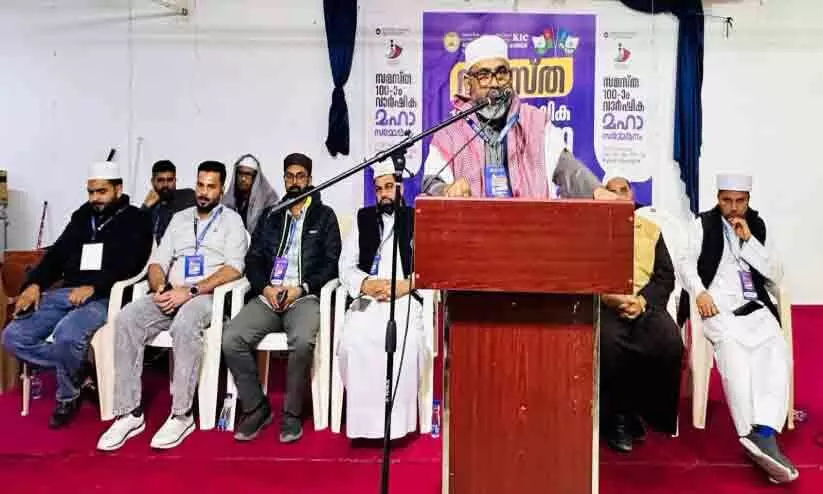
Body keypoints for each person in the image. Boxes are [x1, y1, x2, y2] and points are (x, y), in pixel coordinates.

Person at [96, 161, 248, 451]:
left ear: (221, 189)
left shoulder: (232, 221)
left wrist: (190, 291)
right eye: (200, 185)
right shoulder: (179, 219)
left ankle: (181, 414)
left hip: (206, 297)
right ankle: (129, 413)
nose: (203, 192)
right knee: (127, 318)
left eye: (211, 187)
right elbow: (157, 263)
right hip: (170, 293)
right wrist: (160, 287)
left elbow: (234, 269)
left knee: (185, 323)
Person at [2, 161, 152, 428]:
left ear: (118, 189)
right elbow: (57, 254)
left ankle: (67, 395)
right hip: (68, 292)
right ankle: (79, 370)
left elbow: (133, 264)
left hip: (106, 297)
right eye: (91, 192)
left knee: (67, 335)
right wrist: (34, 284)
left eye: (101, 192)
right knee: (13, 337)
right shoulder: (82, 216)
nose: (95, 198)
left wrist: (95, 287)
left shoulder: (136, 219)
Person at [677, 173, 796, 483]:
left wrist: (750, 241)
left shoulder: (757, 226)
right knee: (734, 356)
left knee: (776, 351)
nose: (732, 207)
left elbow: (775, 273)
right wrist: (700, 292)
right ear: (718, 198)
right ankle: (753, 436)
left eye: (739, 201)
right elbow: (685, 262)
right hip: (717, 307)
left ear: (748, 200)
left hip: (755, 307)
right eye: (726, 200)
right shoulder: (703, 224)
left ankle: (764, 432)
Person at [222, 152, 341, 444]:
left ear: (310, 179)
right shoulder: (271, 215)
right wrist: (265, 288)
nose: (295, 181)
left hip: (303, 296)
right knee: (231, 338)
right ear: (284, 178)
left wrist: (301, 288)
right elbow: (253, 259)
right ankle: (256, 407)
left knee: (302, 342)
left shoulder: (324, 216)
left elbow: (331, 263)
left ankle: (291, 414)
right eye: (290, 176)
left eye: (301, 176)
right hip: (270, 295)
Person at [421, 35, 615, 201]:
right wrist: (446, 190)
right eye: (484, 76)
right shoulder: (451, 132)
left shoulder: (536, 123)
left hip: (529, 227)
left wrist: (596, 191)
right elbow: (431, 182)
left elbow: (568, 169)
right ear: (468, 83)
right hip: (473, 229)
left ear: (511, 77)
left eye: (501, 74)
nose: (495, 84)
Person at [337, 161, 423, 440]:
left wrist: (405, 286)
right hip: (369, 298)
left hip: (404, 296)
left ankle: (398, 423)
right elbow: (346, 266)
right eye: (378, 189)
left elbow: (430, 265)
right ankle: (363, 423)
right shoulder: (362, 219)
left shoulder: (416, 218)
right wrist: (367, 284)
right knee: (352, 341)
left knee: (407, 343)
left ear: (400, 189)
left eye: (388, 187)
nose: (384, 194)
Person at [599, 173, 683, 452]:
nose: (618, 196)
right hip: (607, 303)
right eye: (612, 191)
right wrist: (610, 298)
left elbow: (665, 276)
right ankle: (615, 419)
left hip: (644, 303)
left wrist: (643, 302)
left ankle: (643, 413)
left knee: (668, 340)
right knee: (610, 343)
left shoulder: (650, 230)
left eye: (623, 190)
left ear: (632, 195)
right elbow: (585, 274)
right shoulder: (593, 229)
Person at [141, 160, 196, 245]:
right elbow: (134, 232)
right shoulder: (150, 207)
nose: (165, 185)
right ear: (153, 181)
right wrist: (145, 207)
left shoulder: (188, 197)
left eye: (170, 180)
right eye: (160, 180)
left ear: (175, 180)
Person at [222, 153, 279, 234]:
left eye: (248, 174)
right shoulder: (226, 201)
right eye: (240, 173)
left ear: (255, 177)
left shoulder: (268, 200)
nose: (243, 179)